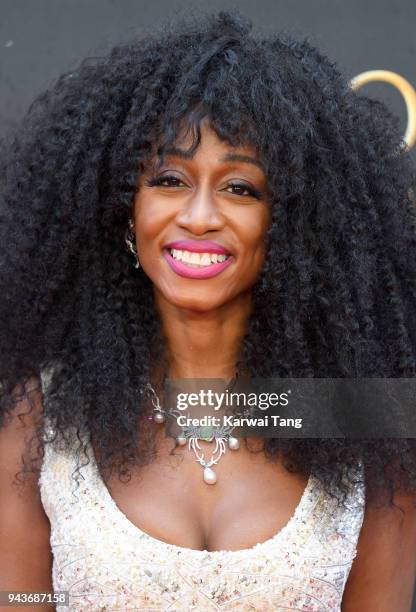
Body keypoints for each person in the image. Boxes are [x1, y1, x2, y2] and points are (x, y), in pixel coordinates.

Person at [1, 11, 416, 611]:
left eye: (240, 187)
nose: (198, 216)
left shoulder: (367, 420)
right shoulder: (39, 414)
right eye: (169, 179)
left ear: (289, 223)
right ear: (126, 209)